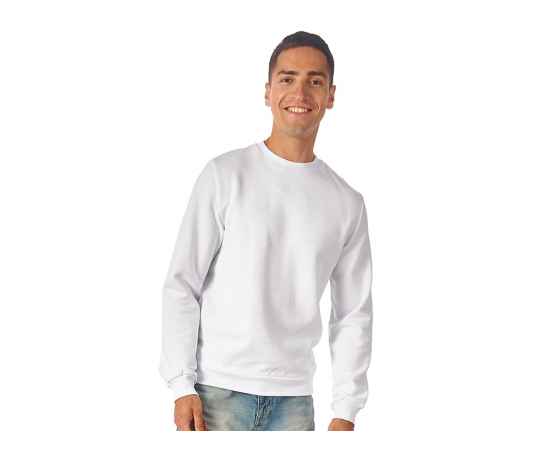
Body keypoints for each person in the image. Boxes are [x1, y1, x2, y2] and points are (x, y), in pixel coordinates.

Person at [159, 30, 374, 431]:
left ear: (330, 95)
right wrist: (181, 384)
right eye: (287, 78)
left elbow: (353, 313)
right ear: (268, 91)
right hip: (216, 392)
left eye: (315, 81)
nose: (300, 92)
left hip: (294, 401)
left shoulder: (347, 202)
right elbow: (182, 283)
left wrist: (345, 410)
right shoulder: (225, 175)